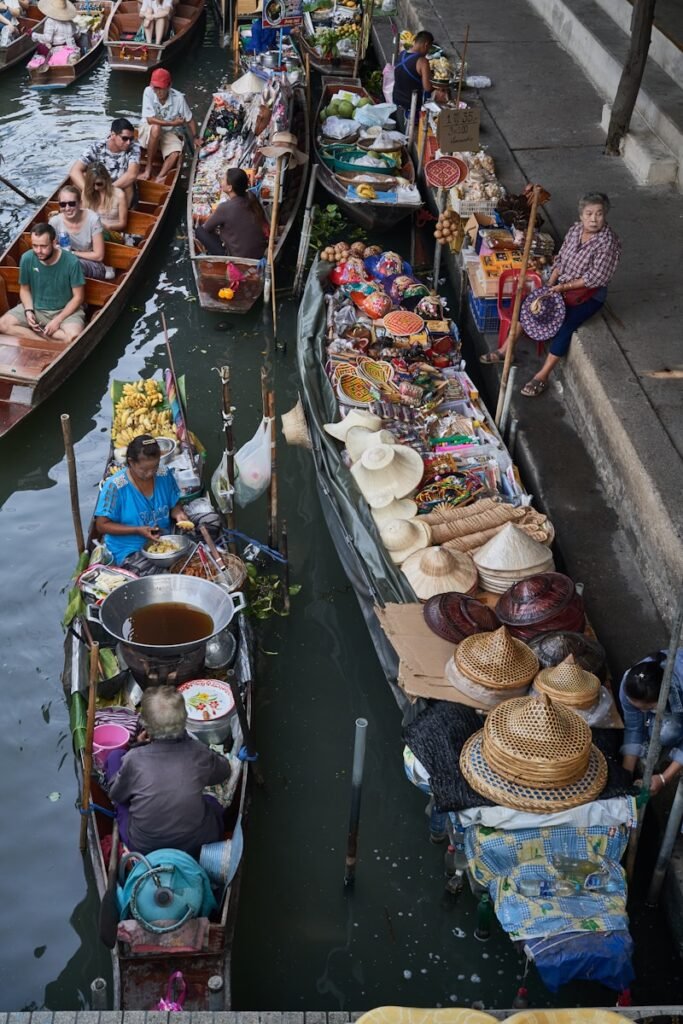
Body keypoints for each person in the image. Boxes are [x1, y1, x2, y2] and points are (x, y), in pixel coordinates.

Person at [481, 192, 622, 397]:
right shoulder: (575, 230)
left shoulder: (607, 243)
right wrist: (550, 284)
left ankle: (542, 375)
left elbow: (595, 278)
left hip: (587, 295)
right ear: (581, 215)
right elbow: (561, 259)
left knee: (566, 325)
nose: (594, 219)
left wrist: (561, 289)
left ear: (605, 215)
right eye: (589, 213)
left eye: (599, 214)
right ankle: (505, 351)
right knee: (528, 305)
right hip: (562, 286)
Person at [107, 686, 231, 856]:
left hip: (145, 846)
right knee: (211, 802)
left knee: (115, 757)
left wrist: (137, 745)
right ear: (185, 720)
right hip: (198, 843)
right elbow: (224, 771)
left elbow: (118, 796)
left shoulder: (134, 759)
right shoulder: (199, 752)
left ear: (147, 727)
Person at [94, 434, 193, 569]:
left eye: (155, 466)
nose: (151, 473)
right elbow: (101, 525)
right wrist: (137, 530)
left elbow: (174, 504)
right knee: (159, 578)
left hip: (164, 537)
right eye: (144, 469)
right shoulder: (115, 486)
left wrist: (178, 514)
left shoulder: (164, 474)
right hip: (131, 548)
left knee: (210, 521)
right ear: (131, 462)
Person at [0, 222, 85, 342]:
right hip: (37, 309)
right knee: (3, 324)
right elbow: (24, 289)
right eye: (35, 246)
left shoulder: (71, 262)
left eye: (43, 246)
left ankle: (39, 332)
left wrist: (57, 320)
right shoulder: (27, 258)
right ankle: (43, 341)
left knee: (73, 338)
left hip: (65, 312)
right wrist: (28, 311)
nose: (38, 250)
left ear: (54, 243)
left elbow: (78, 297)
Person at [620, 649, 683, 796]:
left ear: (663, 697)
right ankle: (653, 733)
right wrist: (625, 777)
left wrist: (663, 778)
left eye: (648, 708)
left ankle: (670, 740)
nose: (641, 712)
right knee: (646, 723)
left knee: (668, 732)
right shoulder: (630, 683)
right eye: (637, 707)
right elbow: (633, 727)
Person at [138, 67, 200, 182]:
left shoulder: (179, 98)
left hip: (168, 132)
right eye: (155, 88)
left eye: (161, 88)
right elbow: (150, 120)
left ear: (169, 86)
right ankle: (148, 168)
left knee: (176, 153)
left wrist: (195, 137)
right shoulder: (148, 92)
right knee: (156, 128)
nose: (158, 91)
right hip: (148, 129)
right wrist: (172, 123)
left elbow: (189, 119)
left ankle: (159, 177)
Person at [194, 167, 268, 259]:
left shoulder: (224, 208)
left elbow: (206, 228)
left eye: (224, 179)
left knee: (199, 231)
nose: (221, 181)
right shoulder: (252, 198)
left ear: (230, 188)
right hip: (259, 252)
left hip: (238, 258)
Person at [70, 117, 141, 208]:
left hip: (118, 187)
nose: (128, 142)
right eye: (125, 138)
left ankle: (124, 213)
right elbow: (74, 171)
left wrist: (107, 190)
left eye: (131, 139)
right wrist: (87, 190)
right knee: (82, 176)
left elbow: (132, 175)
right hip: (98, 186)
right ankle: (84, 211)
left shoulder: (134, 147)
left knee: (129, 184)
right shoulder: (97, 147)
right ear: (113, 135)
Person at [48, 184, 113, 280]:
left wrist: (72, 253)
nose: (67, 208)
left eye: (72, 204)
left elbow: (99, 256)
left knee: (73, 265)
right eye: (63, 204)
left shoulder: (92, 219)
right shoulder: (54, 222)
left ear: (80, 203)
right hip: (64, 262)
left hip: (92, 264)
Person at [392, 31, 448, 126]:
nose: (427, 52)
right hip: (411, 104)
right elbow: (427, 87)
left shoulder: (402, 54)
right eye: (429, 48)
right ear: (426, 45)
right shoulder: (422, 61)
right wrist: (441, 86)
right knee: (441, 94)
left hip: (397, 99)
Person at [82, 162, 129, 243]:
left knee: (98, 232)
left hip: (112, 233)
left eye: (99, 184)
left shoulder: (119, 195)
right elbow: (83, 216)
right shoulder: (86, 193)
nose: (96, 188)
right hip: (91, 232)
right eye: (92, 185)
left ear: (106, 179)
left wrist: (107, 227)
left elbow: (122, 223)